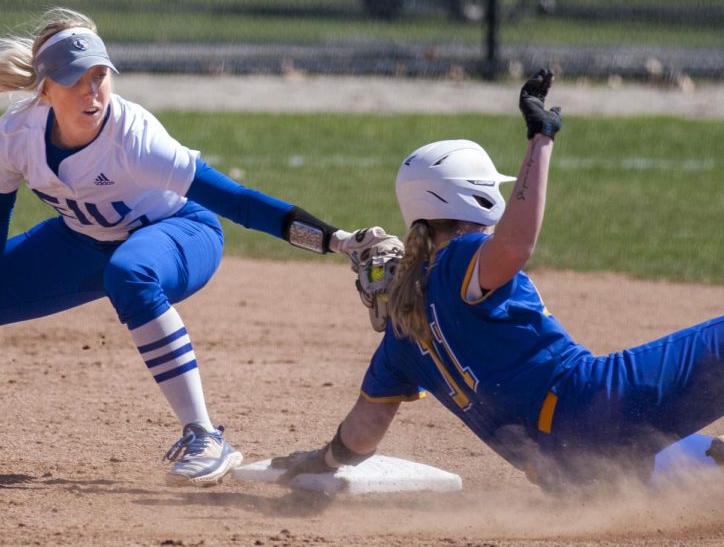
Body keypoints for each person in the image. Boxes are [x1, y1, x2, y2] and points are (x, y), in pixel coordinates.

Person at [0, 8, 398, 487]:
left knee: (130, 272)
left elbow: (238, 201)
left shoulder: (133, 137)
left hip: (180, 234)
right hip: (80, 242)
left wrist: (335, 240)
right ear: (45, 88)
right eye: (76, 80)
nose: (93, 91)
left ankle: (206, 436)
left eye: (100, 76)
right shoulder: (17, 134)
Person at [272, 69, 723, 491]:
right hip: (595, 407)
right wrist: (540, 138)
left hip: (570, 474)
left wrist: (323, 462)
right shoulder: (460, 260)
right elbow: (514, 246)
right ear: (476, 196)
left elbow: (361, 434)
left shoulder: (402, 331)